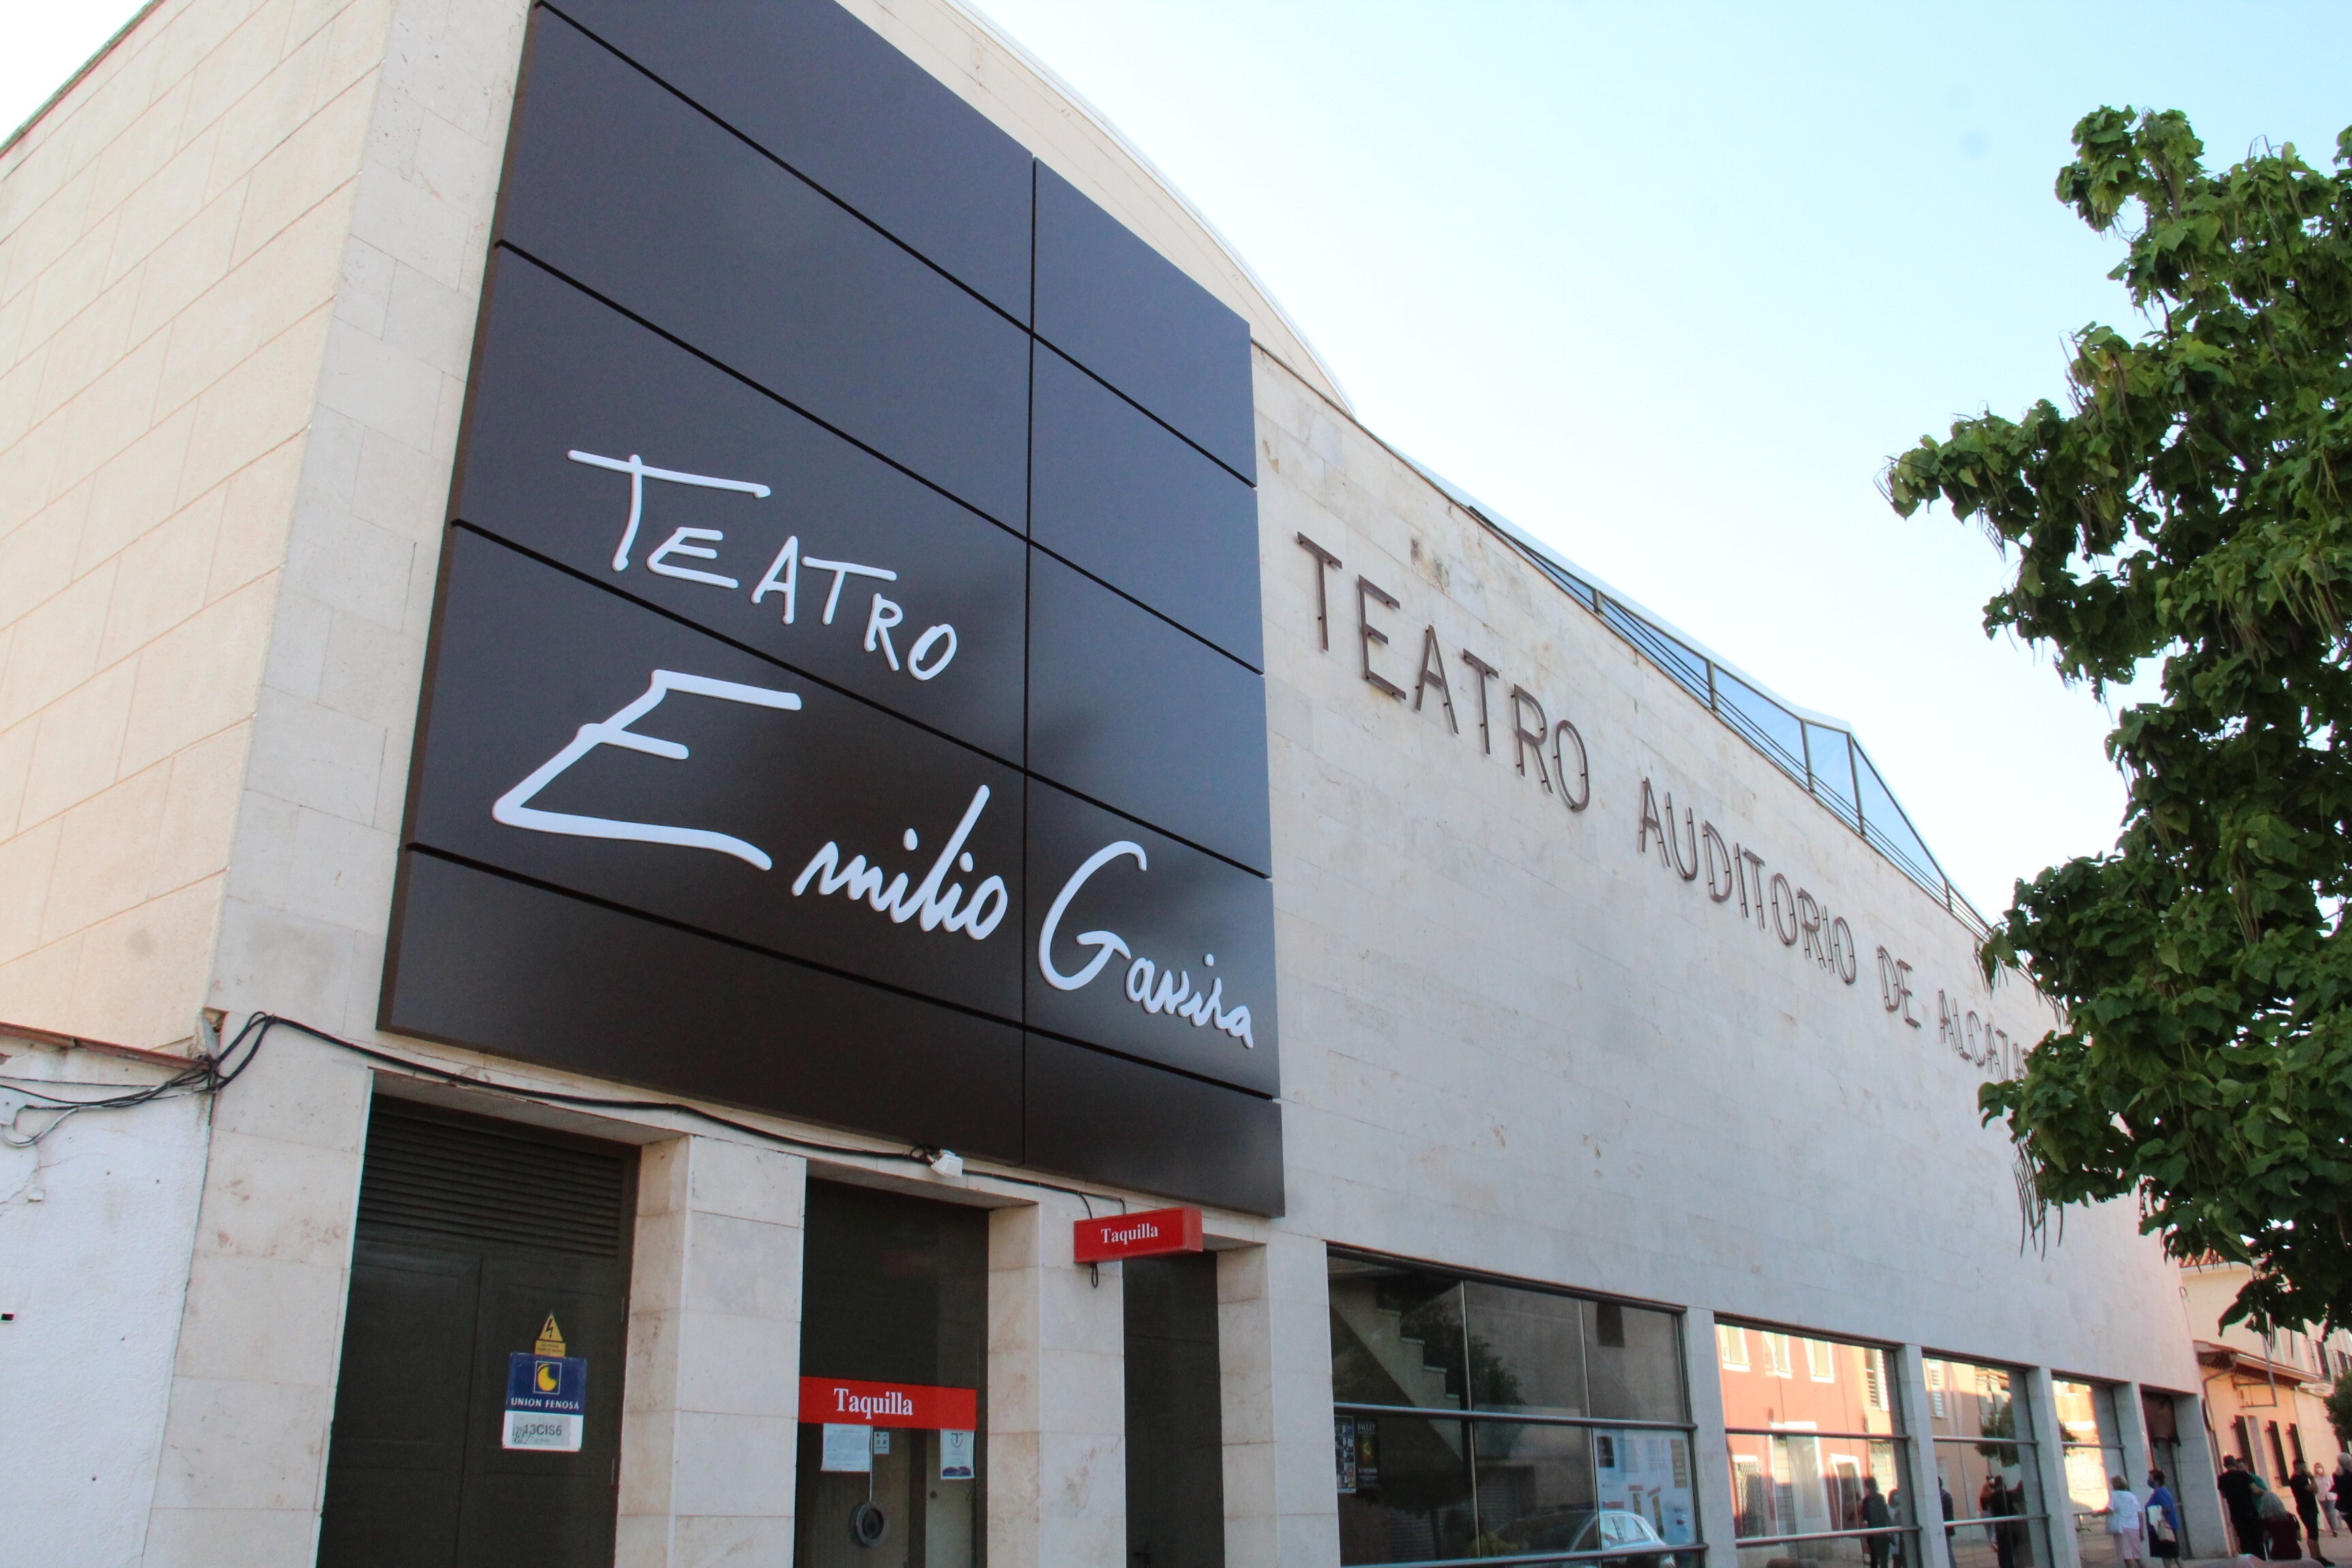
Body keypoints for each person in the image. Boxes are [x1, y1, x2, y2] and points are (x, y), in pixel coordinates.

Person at [2221, 1456, 2267, 1559]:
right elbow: (2255, 1490)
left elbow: (2224, 1495)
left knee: (2244, 1539)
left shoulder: (2222, 1478)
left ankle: (2248, 1561)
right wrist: (2265, 1492)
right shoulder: (2243, 1475)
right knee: (2257, 1539)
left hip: (2235, 1512)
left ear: (2225, 1465)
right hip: (2249, 1510)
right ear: (2235, 1464)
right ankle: (2260, 1561)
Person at [2293, 1459, 2332, 1564]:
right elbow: (2315, 1489)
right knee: (2312, 1533)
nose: (2305, 1469)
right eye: (2303, 1467)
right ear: (2297, 1466)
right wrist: (2312, 1478)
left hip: (2310, 1507)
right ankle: (2314, 1559)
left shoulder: (2302, 1478)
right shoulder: (2298, 1479)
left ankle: (2319, 1557)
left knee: (2315, 1533)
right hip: (2306, 1508)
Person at [2146, 1468, 2183, 1560]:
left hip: (2163, 1528)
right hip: (2162, 1528)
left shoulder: (2160, 1492)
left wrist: (2157, 1514)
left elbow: (2167, 1508)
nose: (2149, 1480)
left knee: (2169, 1554)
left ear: (2157, 1481)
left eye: (2150, 1478)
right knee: (2169, 1555)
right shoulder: (2160, 1492)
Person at [2261, 1483, 2303, 1561]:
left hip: (2278, 1553)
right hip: (2295, 1552)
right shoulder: (2292, 1517)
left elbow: (2265, 1538)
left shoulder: (2267, 1520)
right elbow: (2299, 1537)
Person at [2111, 1474, 2147, 1565]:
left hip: (2123, 1527)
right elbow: (2140, 1515)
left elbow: (2109, 1509)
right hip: (2134, 1527)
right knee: (2137, 1556)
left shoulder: (2114, 1495)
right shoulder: (2132, 1496)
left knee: (2127, 1557)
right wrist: (2141, 1531)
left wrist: (2096, 1513)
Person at [1863, 1476, 1895, 1568]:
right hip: (1879, 1533)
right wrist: (1891, 1534)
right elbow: (1886, 1517)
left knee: (1876, 1560)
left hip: (1875, 1533)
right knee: (1882, 1560)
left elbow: (1865, 1520)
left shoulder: (1867, 1501)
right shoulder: (1878, 1499)